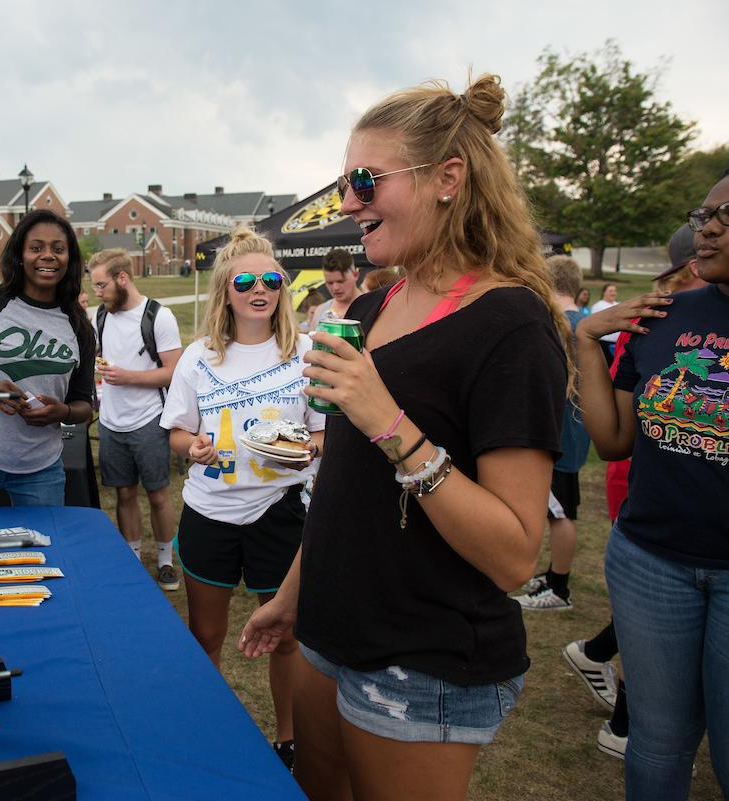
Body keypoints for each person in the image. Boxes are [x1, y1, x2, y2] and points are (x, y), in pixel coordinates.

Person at [239, 74, 568, 800]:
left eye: (364, 180)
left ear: (447, 178)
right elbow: (345, 485)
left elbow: (516, 553)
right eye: (342, 182)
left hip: (422, 656)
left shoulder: (512, 325)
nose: (348, 201)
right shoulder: (384, 295)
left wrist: (389, 422)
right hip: (329, 627)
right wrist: (296, 593)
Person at [574, 190, 727, 799]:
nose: (706, 230)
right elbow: (612, 440)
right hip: (650, 563)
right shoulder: (664, 318)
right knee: (657, 747)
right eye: (702, 217)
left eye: (724, 217)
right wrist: (585, 339)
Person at [162, 227, 325, 770]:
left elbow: (327, 433)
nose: (261, 289)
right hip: (210, 511)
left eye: (272, 279)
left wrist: (304, 450)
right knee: (205, 633)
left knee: (286, 637)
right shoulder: (198, 356)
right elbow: (178, 432)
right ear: (225, 291)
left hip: (279, 511)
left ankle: (289, 738)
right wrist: (196, 448)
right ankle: (208, 733)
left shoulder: (305, 352)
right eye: (247, 280)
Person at [0, 209, 95, 506]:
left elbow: (84, 406)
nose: (48, 256)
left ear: (70, 259)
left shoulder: (80, 327)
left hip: (42, 470)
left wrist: (62, 412)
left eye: (58, 249)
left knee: (43, 548)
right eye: (36, 248)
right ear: (20, 255)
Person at [89, 249, 183, 590]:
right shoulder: (101, 315)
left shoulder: (159, 316)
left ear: (122, 278)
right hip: (111, 423)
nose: (97, 292)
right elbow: (103, 359)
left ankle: (165, 561)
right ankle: (131, 557)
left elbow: (174, 373)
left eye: (102, 285)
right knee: (123, 494)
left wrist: (127, 377)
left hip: (150, 420)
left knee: (158, 495)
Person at [513, 255, 591, 611]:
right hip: (573, 427)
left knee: (561, 512)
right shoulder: (585, 322)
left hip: (560, 431)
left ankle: (559, 588)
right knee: (554, 508)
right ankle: (550, 575)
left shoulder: (561, 325)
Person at [308, 248, 361, 324]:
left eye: (341, 281)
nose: (335, 288)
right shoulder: (320, 311)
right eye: (330, 283)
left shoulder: (372, 308)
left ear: (355, 275)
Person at [591, 283, 620, 363]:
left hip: (617, 342)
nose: (613, 293)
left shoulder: (618, 305)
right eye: (610, 291)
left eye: (614, 291)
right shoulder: (598, 306)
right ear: (604, 292)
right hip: (604, 342)